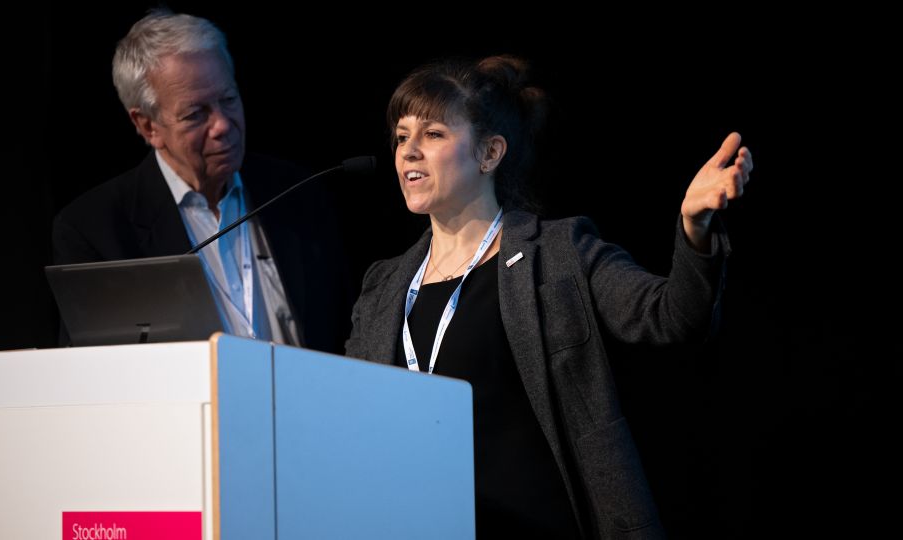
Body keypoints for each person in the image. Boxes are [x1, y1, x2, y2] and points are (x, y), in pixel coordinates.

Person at [345, 56, 752, 538]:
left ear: (489, 153)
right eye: (401, 137)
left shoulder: (559, 253)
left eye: (432, 134)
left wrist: (694, 227)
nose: (409, 152)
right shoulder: (383, 287)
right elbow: (353, 420)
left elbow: (673, 317)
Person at [53, 9, 348, 353]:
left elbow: (349, 332)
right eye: (195, 114)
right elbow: (93, 370)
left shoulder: (298, 192)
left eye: (229, 99)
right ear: (148, 126)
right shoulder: (96, 230)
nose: (222, 125)